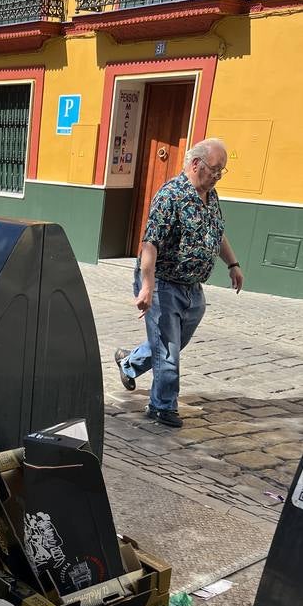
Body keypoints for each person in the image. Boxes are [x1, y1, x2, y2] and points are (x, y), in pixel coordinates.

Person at [115, 137, 244, 428]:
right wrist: (146, 286)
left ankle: (129, 363)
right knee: (169, 349)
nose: (217, 176)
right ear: (196, 164)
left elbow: (217, 233)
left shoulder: (211, 197)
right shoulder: (170, 195)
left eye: (222, 171)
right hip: (163, 283)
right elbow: (150, 244)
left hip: (192, 288)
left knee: (171, 343)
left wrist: (233, 264)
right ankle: (162, 406)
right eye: (215, 169)